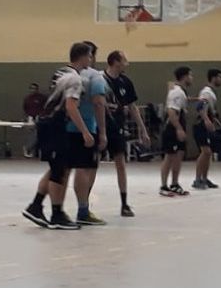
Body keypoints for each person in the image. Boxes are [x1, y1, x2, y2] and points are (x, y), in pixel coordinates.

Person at [23, 42, 96, 231]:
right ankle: (56, 214)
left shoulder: (61, 72)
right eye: (89, 56)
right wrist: (85, 132)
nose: (91, 59)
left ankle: (36, 206)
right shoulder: (75, 79)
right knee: (59, 170)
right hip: (54, 125)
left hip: (49, 125)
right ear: (82, 57)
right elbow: (71, 106)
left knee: (58, 167)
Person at [102, 50, 150, 217]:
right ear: (116, 62)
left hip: (118, 129)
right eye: (124, 60)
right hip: (100, 127)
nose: (127, 64)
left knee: (120, 164)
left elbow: (132, 107)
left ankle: (124, 203)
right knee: (90, 167)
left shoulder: (125, 82)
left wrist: (143, 130)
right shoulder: (100, 80)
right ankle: (84, 207)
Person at [74, 41, 108, 225]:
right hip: (88, 126)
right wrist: (102, 132)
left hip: (68, 126)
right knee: (87, 167)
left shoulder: (66, 72)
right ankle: (83, 210)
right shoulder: (95, 76)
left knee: (64, 170)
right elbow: (98, 103)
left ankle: (60, 209)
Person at [160, 67, 194, 197]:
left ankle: (174, 183)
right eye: (190, 76)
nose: (192, 78)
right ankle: (163, 186)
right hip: (172, 128)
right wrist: (179, 128)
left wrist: (195, 99)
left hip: (179, 126)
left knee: (178, 156)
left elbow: (182, 101)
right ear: (184, 77)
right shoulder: (177, 92)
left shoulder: (182, 93)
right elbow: (171, 111)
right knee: (169, 157)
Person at [193, 68, 221, 190]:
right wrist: (206, 120)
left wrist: (214, 120)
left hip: (205, 124)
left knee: (208, 153)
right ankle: (197, 179)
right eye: (220, 77)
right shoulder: (207, 92)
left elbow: (209, 109)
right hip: (201, 125)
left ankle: (204, 179)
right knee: (205, 152)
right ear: (214, 78)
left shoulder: (211, 92)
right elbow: (200, 106)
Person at [23, 82, 46, 158]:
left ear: (37, 89)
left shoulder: (42, 98)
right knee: (31, 135)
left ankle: (30, 148)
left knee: (38, 135)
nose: (33, 90)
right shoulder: (27, 99)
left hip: (40, 118)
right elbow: (25, 109)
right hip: (30, 118)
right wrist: (27, 117)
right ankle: (28, 149)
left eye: (34, 89)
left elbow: (45, 108)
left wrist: (41, 116)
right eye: (31, 89)